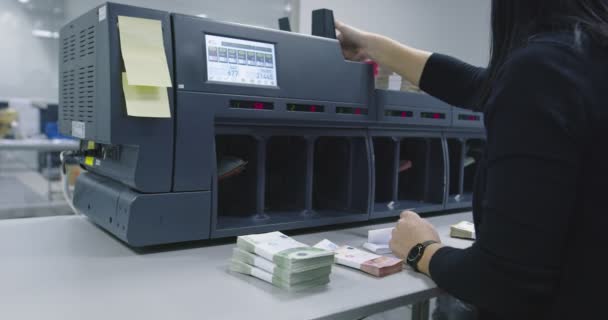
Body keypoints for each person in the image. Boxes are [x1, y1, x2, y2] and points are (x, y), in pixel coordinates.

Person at [335, 1, 608, 319]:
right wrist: (373, 45)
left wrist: (421, 250)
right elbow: (487, 85)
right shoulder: (584, 58)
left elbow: (504, 280)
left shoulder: (545, 70)